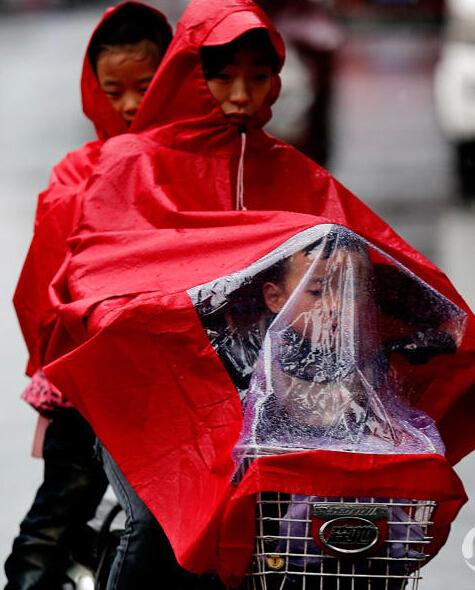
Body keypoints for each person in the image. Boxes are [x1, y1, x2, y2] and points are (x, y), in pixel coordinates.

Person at [40, 0, 475, 585]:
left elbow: (367, 254)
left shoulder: (292, 169)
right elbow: (97, 273)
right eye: (222, 76)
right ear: (189, 75)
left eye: (259, 76)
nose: (241, 96)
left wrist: (431, 323)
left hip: (269, 399)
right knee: (155, 527)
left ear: (278, 79)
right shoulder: (133, 163)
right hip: (154, 395)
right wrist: (171, 315)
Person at [5, 4, 172, 589]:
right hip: (86, 383)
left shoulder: (193, 167)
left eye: (145, 88)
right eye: (113, 90)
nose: (128, 105)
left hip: (168, 386)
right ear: (92, 90)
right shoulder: (76, 173)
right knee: (57, 514)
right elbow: (41, 290)